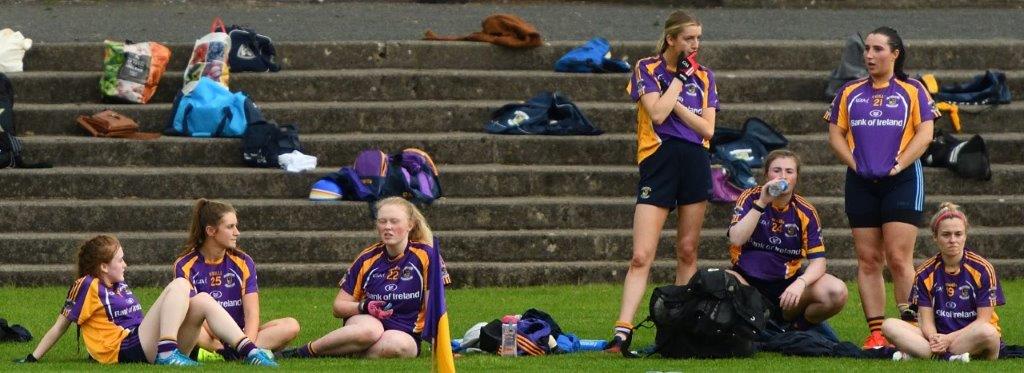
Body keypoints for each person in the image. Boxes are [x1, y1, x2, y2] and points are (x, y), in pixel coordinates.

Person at [607, 10, 718, 353]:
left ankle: (678, 330)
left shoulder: (705, 76)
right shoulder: (646, 68)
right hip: (660, 160)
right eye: (689, 38)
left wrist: (679, 105)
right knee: (641, 255)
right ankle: (622, 332)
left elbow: (708, 129)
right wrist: (680, 84)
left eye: (698, 38)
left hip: (695, 160)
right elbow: (655, 114)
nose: (695, 45)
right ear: (671, 39)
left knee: (687, 250)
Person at [824, 26, 939, 349]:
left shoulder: (913, 90)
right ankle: (876, 334)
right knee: (868, 259)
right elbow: (835, 134)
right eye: (867, 49)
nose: (869, 55)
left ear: (895, 54)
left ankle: (911, 328)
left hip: (902, 181)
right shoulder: (850, 91)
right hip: (860, 181)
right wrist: (855, 164)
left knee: (899, 258)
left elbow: (925, 133)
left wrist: (899, 165)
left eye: (877, 49)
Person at [13, 235, 277, 366]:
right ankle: (167, 352)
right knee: (181, 284)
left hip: (141, 342)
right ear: (103, 267)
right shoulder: (87, 285)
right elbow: (61, 325)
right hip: (124, 349)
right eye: (120, 260)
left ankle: (250, 352)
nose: (125, 264)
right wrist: (32, 359)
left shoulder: (119, 284)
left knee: (204, 299)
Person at [279, 197, 450, 359]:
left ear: (410, 225)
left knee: (397, 346)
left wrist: (442, 346)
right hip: (367, 321)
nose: (387, 227)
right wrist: (365, 306)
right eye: (382, 221)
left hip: (406, 332)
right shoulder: (367, 258)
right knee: (370, 331)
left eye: (394, 221)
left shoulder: (427, 256)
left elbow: (435, 307)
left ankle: (342, 350)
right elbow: (338, 307)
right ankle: (304, 351)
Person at [727, 150, 848, 329]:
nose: (783, 176)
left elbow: (819, 262)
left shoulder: (805, 211)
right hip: (747, 280)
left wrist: (800, 283)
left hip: (785, 286)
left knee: (837, 291)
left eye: (789, 171)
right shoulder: (750, 197)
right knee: (720, 281)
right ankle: (756, 324)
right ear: (766, 174)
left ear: (796, 177)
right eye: (777, 170)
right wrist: (762, 203)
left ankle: (795, 329)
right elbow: (736, 239)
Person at [173, 198, 300, 360]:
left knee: (291, 326)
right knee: (190, 328)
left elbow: (252, 313)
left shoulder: (244, 261)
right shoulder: (185, 264)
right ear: (211, 231)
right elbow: (193, 315)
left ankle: (229, 354)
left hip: (241, 333)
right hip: (210, 336)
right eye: (230, 227)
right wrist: (224, 338)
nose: (237, 232)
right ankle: (229, 352)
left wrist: (246, 342)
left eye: (236, 226)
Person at [882, 203, 1004, 361]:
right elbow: (926, 322)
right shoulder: (924, 272)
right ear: (935, 237)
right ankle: (950, 357)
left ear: (965, 235)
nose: (953, 240)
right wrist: (935, 338)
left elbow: (983, 320)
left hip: (970, 336)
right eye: (946, 234)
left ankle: (925, 354)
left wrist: (949, 339)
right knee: (889, 325)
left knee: (988, 332)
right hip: (938, 336)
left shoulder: (983, 269)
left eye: (958, 234)